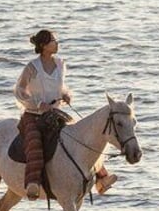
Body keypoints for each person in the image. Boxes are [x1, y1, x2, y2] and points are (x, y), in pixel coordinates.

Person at [14, 29, 116, 200]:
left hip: (55, 112)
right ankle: (33, 183)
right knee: (34, 142)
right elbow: (19, 91)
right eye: (53, 41)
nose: (57, 43)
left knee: (81, 136)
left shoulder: (60, 64)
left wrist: (66, 94)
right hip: (34, 114)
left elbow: (61, 86)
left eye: (55, 40)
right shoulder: (32, 67)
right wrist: (38, 104)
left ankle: (101, 178)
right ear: (43, 45)